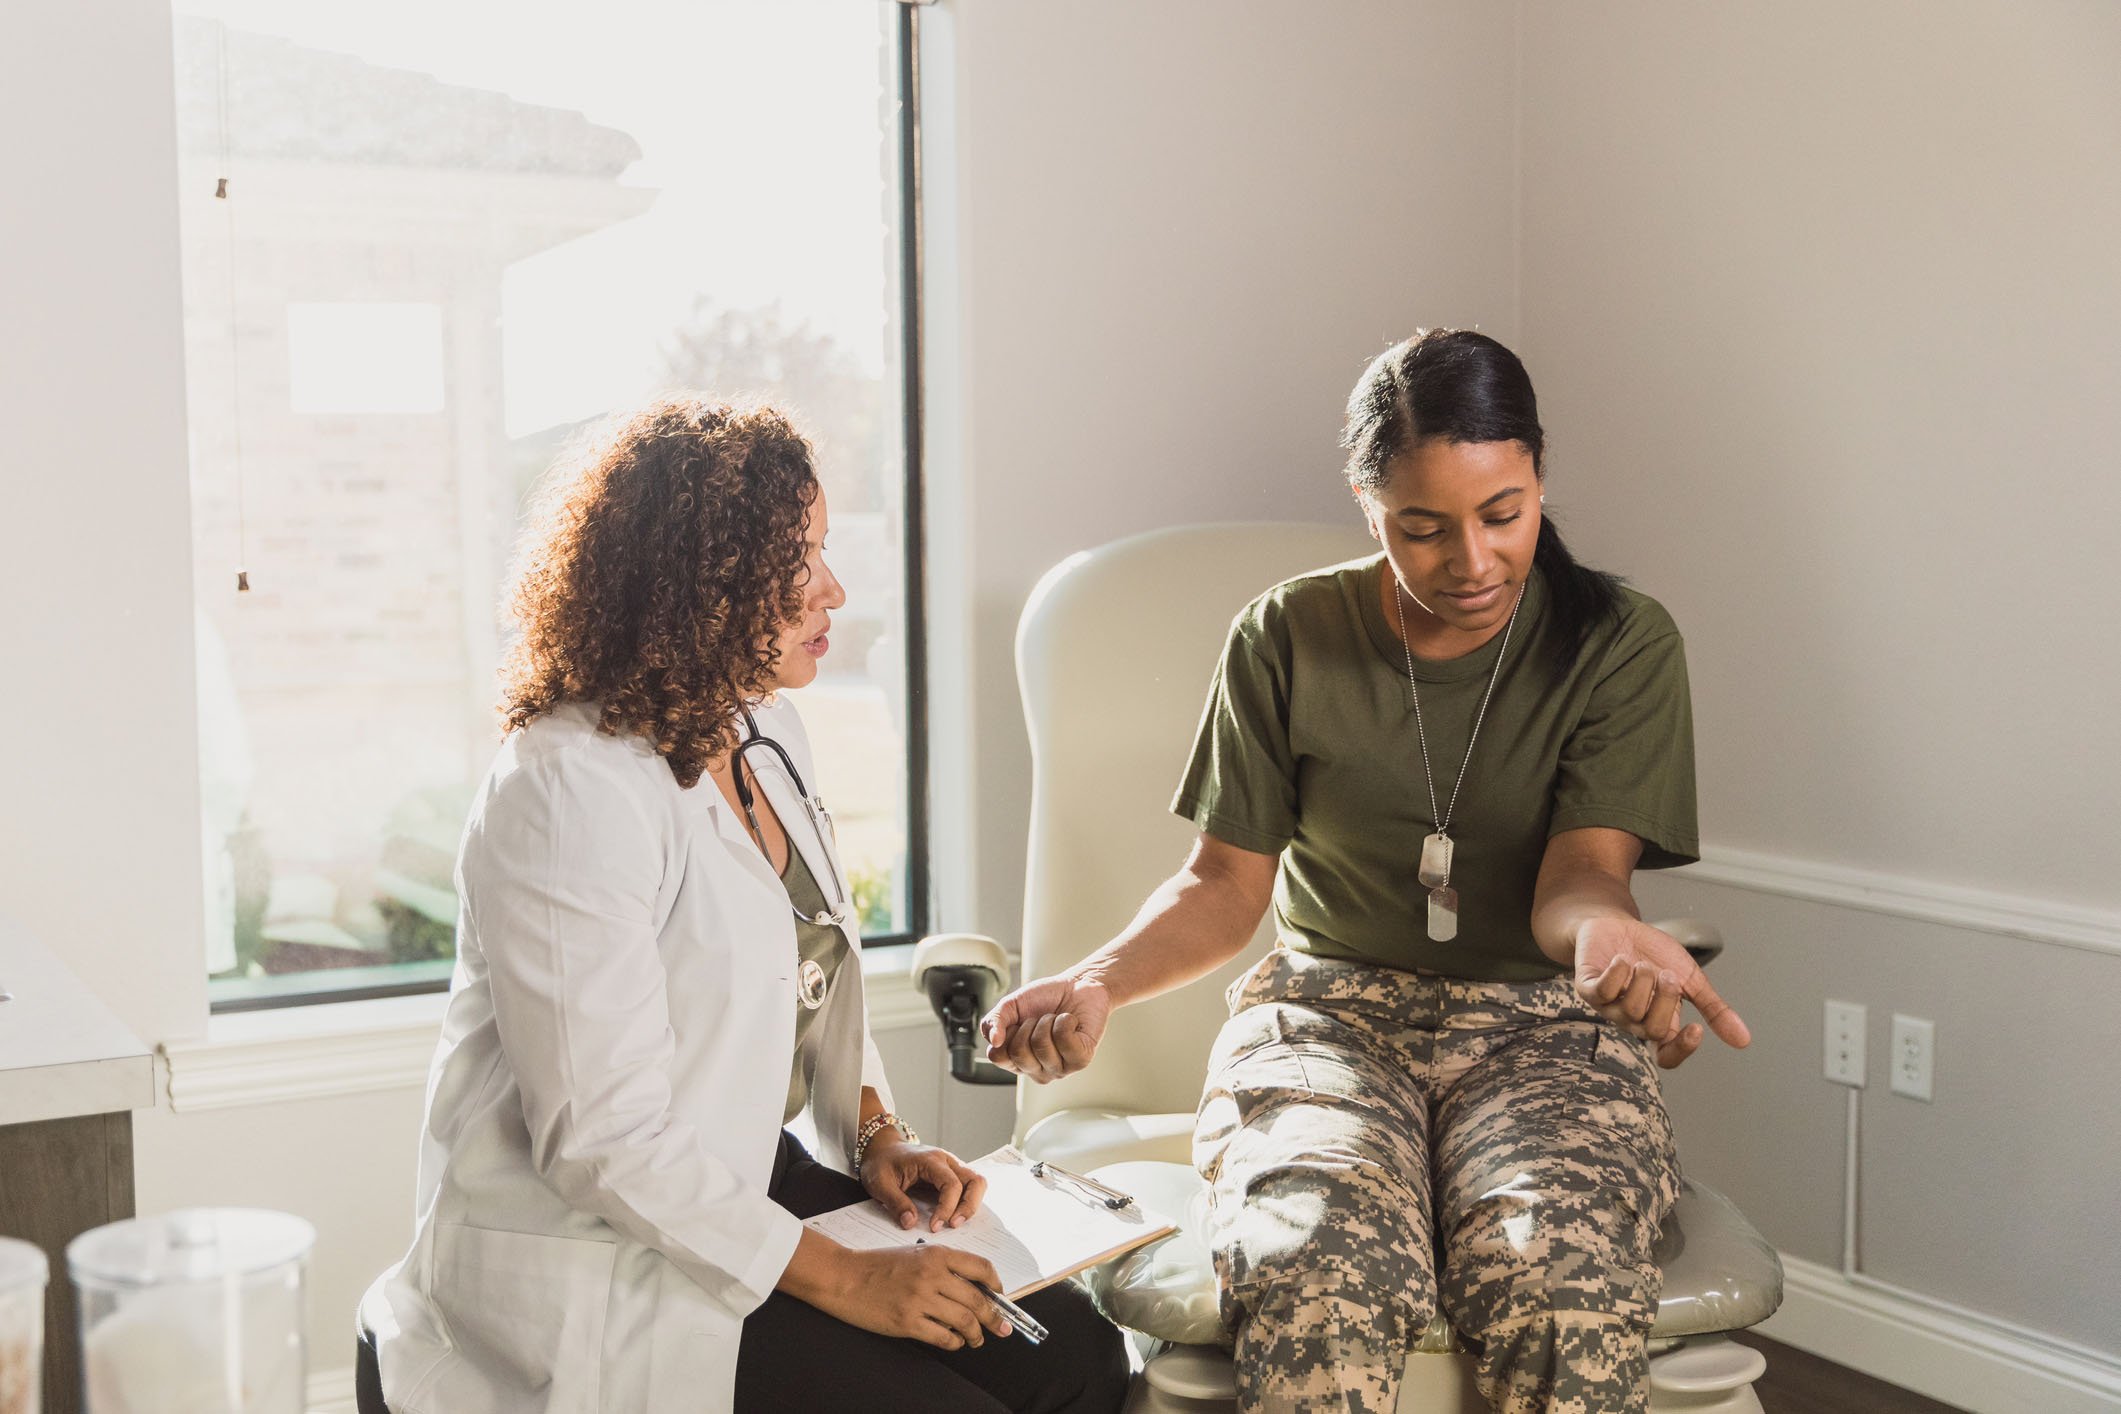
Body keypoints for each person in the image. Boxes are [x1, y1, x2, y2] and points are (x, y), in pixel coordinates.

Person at [980, 331, 1752, 1414]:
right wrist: (1098, 977)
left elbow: (1582, 875)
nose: (1471, 563)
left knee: (1555, 1271)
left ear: (1538, 473)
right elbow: (1224, 884)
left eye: (1504, 514)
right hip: (1331, 1021)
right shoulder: (1284, 636)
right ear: (1366, 499)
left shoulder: (1617, 641)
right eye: (1421, 528)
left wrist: (1605, 935)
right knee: (1312, 1261)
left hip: (1541, 1019)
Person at [362, 399, 1127, 1414]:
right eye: (798, 560)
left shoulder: (764, 730)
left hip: (733, 1177)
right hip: (595, 1248)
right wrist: (855, 1278)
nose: (834, 588)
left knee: (1077, 1355)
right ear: (698, 588)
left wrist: (876, 1140)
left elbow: (797, 972)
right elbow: (603, 1141)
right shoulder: (566, 785)